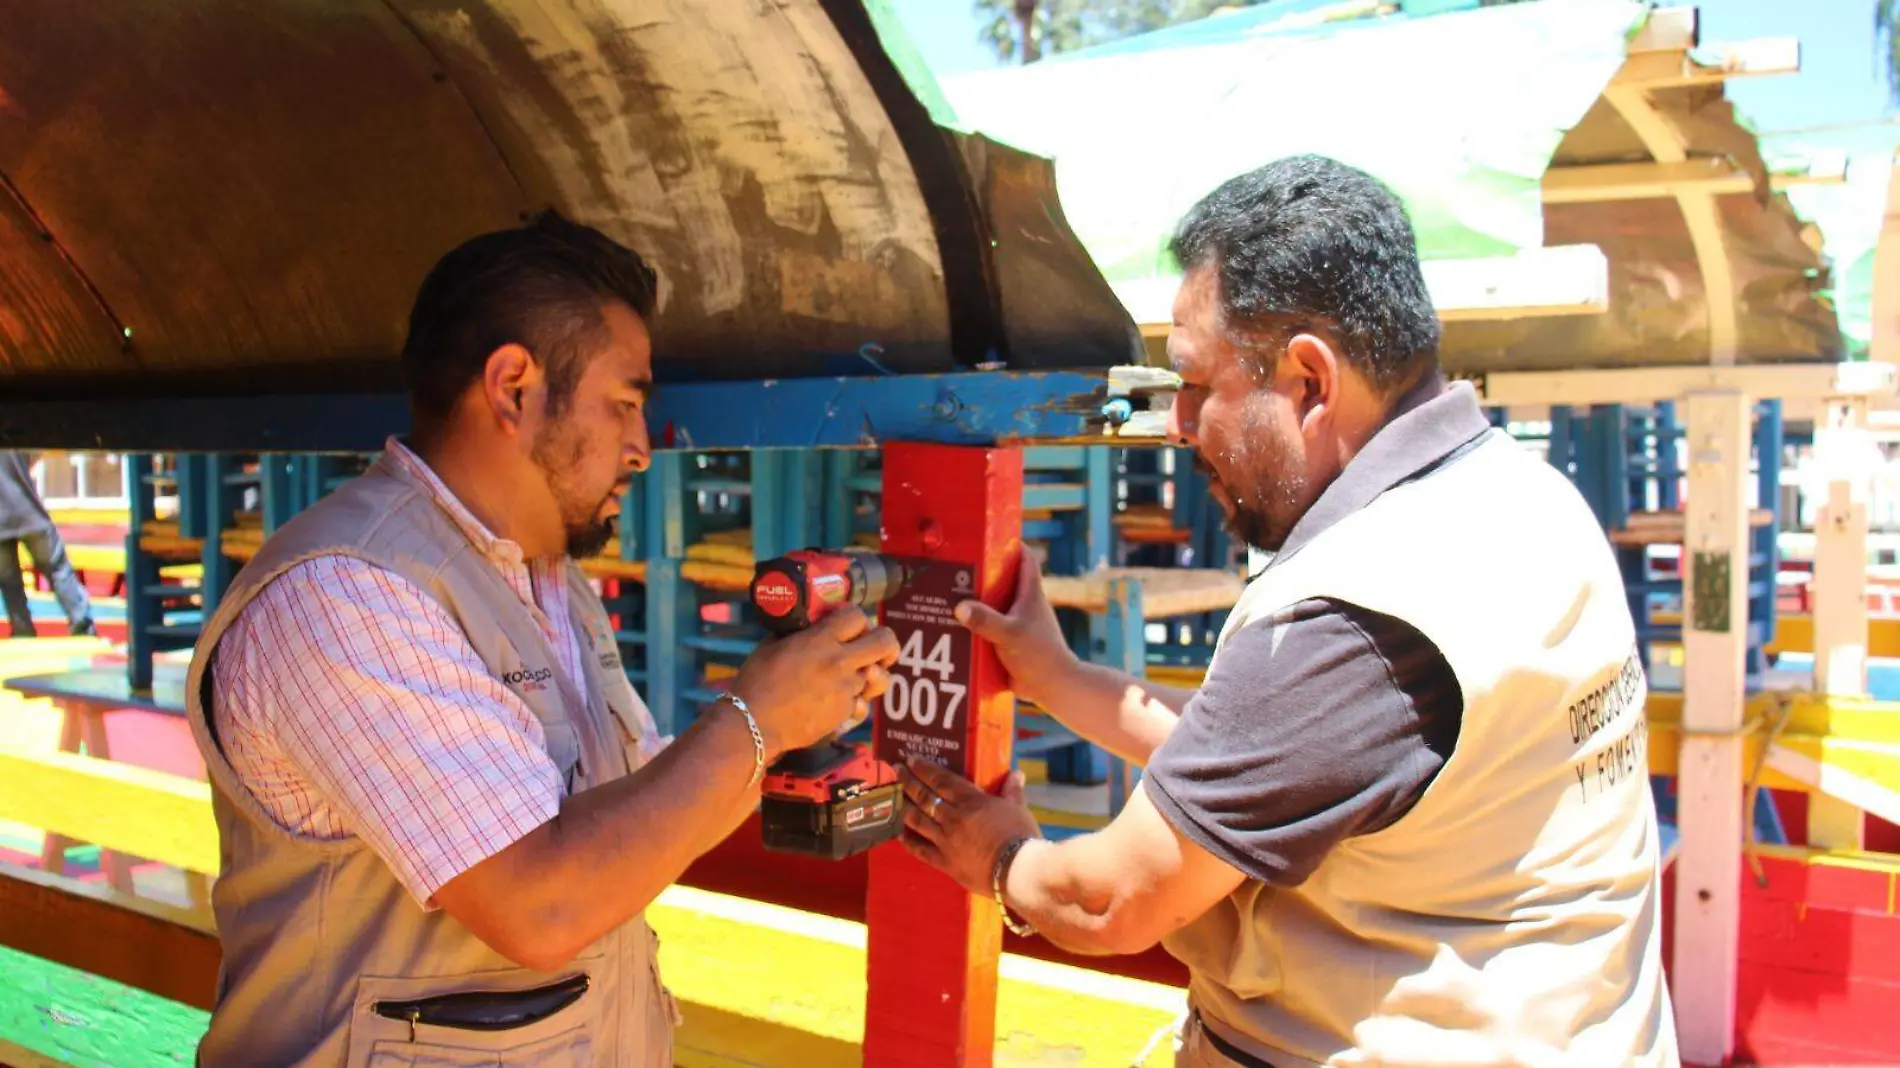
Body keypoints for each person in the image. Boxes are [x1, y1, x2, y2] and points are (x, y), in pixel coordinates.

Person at [898, 155, 1678, 1067]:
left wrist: (999, 856)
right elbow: (1293, 760)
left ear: (1307, 381)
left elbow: (1110, 900)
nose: (1180, 424)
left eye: (1197, 385)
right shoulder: (1523, 497)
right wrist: (1062, 679)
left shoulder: (1361, 612)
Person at [181, 211, 900, 1067]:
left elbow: (634, 813)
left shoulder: (547, 583)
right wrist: (757, 719)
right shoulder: (347, 595)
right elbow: (541, 906)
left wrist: (796, 722)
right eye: (626, 403)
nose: (642, 449)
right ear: (515, 387)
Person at [0, 450, 97, 638]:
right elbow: (36, 453)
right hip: (30, 515)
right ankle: (82, 623)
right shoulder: (13, 430)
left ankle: (22, 631)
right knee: (58, 570)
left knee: (9, 583)